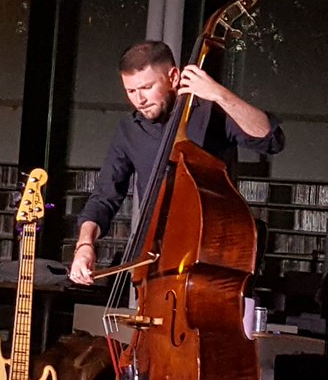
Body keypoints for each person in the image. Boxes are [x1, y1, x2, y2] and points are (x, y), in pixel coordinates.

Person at [69, 40, 285, 285]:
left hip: (208, 259)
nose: (139, 100)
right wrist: (84, 245)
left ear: (173, 77)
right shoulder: (129, 129)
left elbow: (270, 140)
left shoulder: (210, 113)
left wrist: (218, 94)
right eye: (131, 91)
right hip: (153, 263)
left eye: (147, 87)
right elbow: (104, 196)